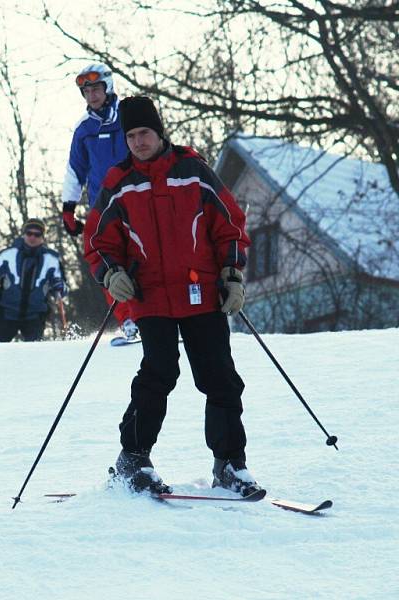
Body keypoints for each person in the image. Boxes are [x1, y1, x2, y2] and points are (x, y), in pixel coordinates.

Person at [84, 95, 259, 497]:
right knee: (158, 373)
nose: (138, 142)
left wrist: (232, 274)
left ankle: (231, 464)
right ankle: (133, 460)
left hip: (202, 291)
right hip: (150, 296)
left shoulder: (193, 172)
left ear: (159, 132)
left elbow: (229, 223)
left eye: (144, 133)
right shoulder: (118, 182)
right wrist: (111, 275)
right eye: (130, 136)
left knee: (219, 376)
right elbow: (97, 240)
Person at [61, 63, 137, 342]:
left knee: (145, 257)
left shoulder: (128, 115)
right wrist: (68, 207)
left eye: (96, 88)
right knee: (108, 263)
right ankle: (129, 320)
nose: (92, 95)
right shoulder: (84, 128)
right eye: (86, 90)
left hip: (137, 199)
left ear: (108, 87)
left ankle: (160, 315)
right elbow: (75, 169)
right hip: (101, 207)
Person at [0, 218, 66, 342]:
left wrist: (59, 288)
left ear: (42, 237)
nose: (32, 237)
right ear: (24, 234)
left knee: (34, 352)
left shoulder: (51, 260)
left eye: (37, 234)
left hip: (35, 314)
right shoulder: (8, 255)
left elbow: (62, 287)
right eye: (29, 233)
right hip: (7, 311)